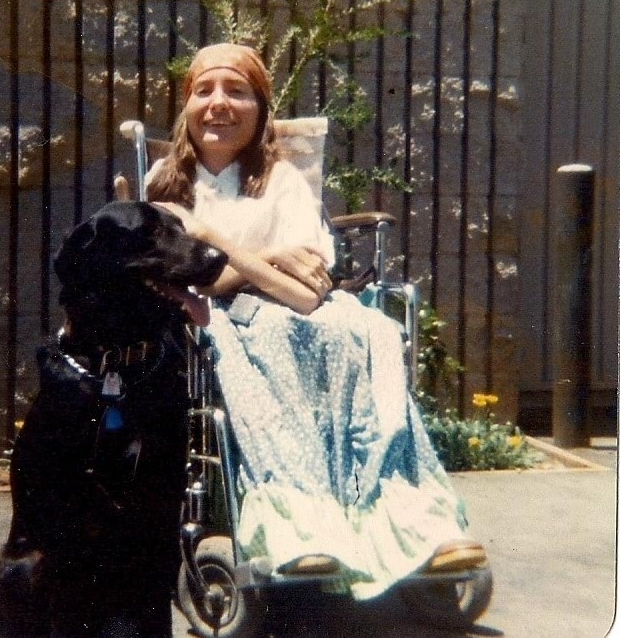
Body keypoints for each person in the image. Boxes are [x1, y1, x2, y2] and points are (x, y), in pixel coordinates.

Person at [144, 42, 487, 600]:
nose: (219, 103)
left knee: (372, 330)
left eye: (237, 91)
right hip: (221, 322)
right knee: (274, 332)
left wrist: (218, 246)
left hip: (304, 312)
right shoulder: (163, 182)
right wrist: (266, 260)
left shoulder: (280, 179)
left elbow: (308, 290)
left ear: (260, 111)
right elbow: (188, 281)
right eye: (204, 90)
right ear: (186, 106)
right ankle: (301, 525)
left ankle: (415, 518)